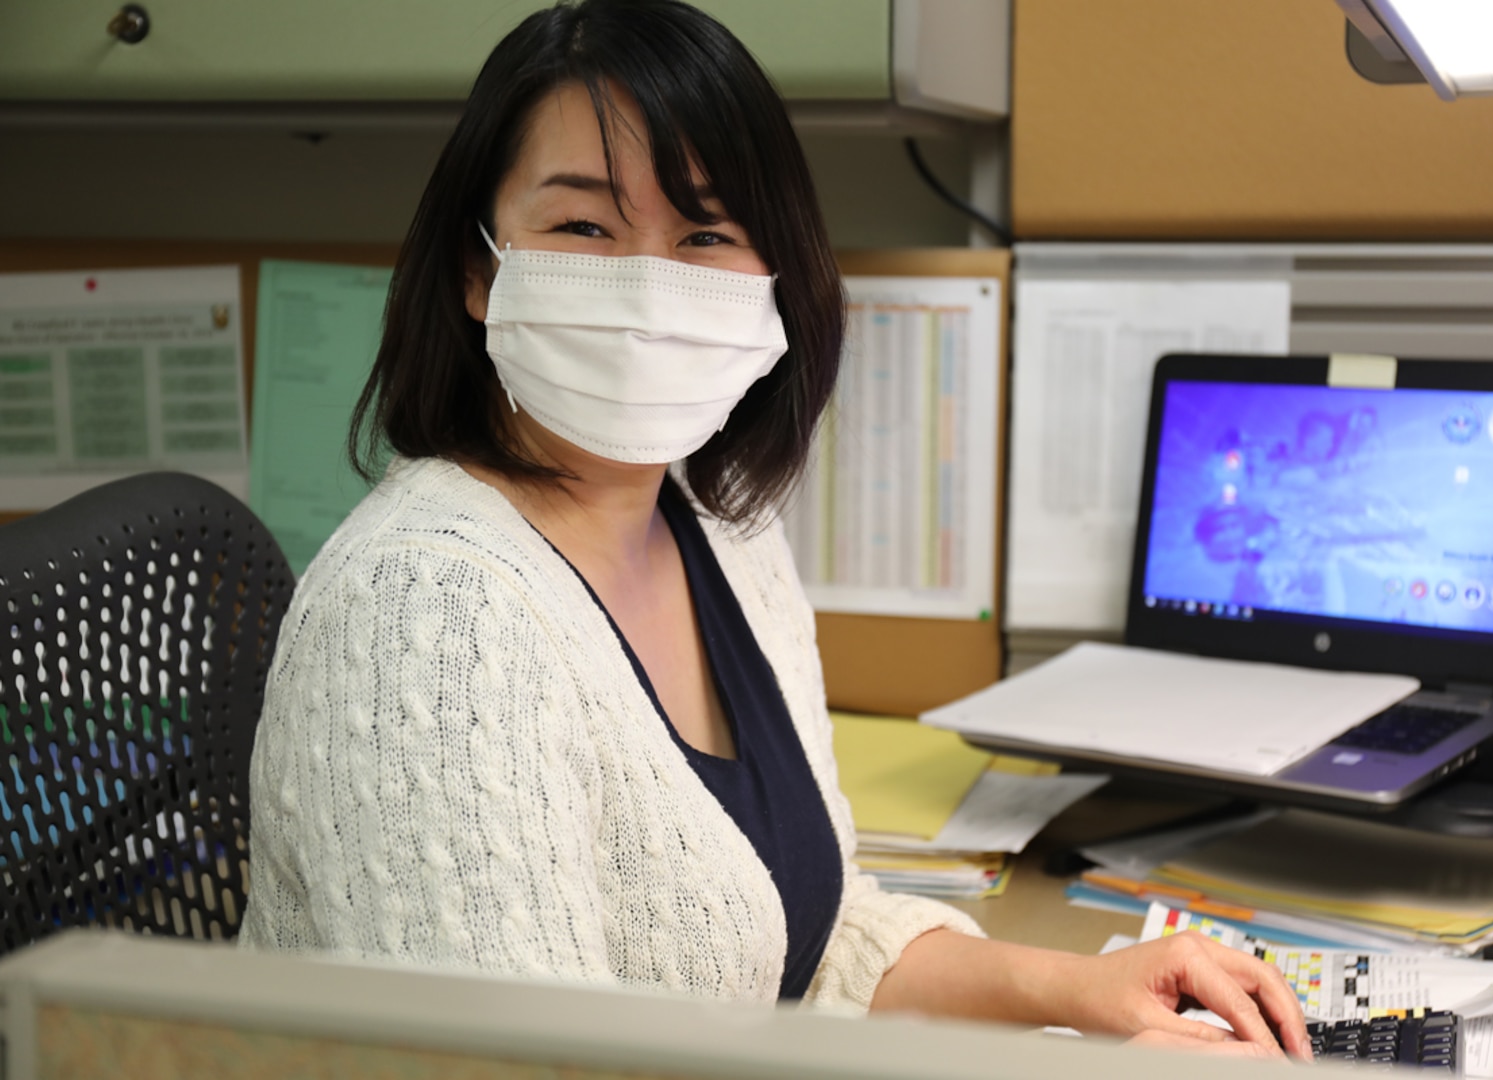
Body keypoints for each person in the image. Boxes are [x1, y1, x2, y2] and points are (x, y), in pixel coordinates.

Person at [239, 0, 1309, 1059]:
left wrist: (1080, 989)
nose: (649, 283)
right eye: (583, 227)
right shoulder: (428, 619)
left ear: (775, 278)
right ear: (478, 272)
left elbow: (815, 946)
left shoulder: (718, 527)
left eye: (706, 232)